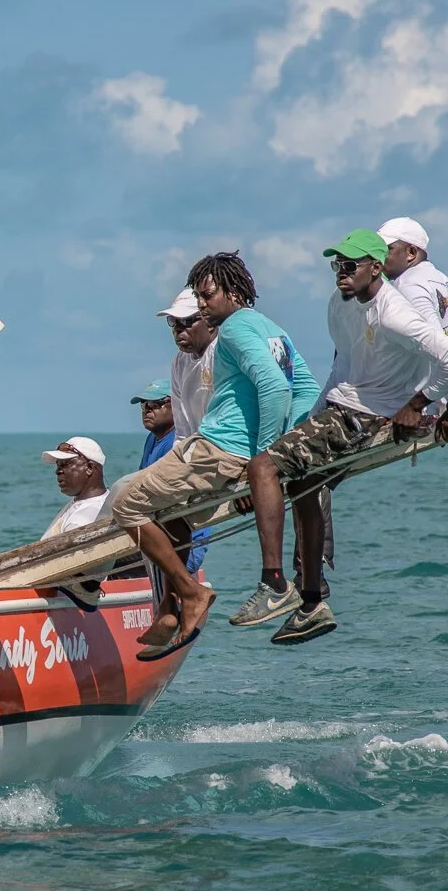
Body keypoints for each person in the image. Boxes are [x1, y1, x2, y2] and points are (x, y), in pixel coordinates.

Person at [245, 229, 448, 645]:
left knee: (262, 465)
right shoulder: (340, 303)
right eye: (336, 265)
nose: (340, 273)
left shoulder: (395, 312)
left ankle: (274, 584)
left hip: (363, 418)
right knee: (302, 483)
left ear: (375, 267)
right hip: (339, 409)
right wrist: (314, 415)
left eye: (349, 265)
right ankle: (312, 602)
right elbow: (344, 366)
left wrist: (417, 404)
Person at [110, 251, 318, 660]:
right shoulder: (272, 329)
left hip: (220, 449)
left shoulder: (235, 331)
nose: (202, 307)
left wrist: (265, 462)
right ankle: (170, 608)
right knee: (172, 517)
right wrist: (269, 454)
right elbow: (305, 388)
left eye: (206, 297)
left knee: (126, 506)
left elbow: (276, 390)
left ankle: (191, 593)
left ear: (233, 292)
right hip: (217, 448)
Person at [378, 216, 448, 442]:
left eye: (386, 249)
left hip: (431, 399)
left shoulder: (409, 286)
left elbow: (444, 351)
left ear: (410, 253)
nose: (377, 256)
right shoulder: (442, 280)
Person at [158, 289, 215, 574]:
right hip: (193, 452)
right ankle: (175, 591)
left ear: (208, 320)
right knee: (133, 497)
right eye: (174, 324)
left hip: (225, 452)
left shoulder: (222, 354)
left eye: (187, 322)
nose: (179, 330)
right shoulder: (179, 363)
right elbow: (182, 430)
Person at [40, 437, 109, 539]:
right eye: (58, 466)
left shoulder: (83, 520)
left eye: (65, 464)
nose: (58, 471)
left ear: (89, 468)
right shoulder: (100, 501)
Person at [131, 379, 175, 468]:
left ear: (175, 405)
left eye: (155, 404)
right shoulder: (152, 437)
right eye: (144, 404)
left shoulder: (178, 442)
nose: (147, 410)